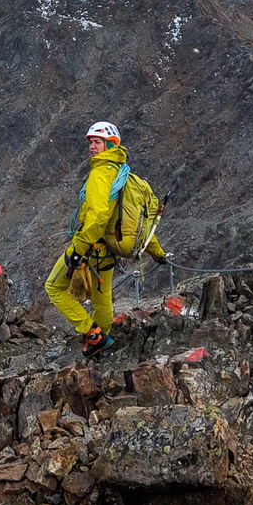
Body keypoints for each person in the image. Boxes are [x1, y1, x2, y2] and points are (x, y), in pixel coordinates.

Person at [44, 120, 166, 357]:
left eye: (97, 142)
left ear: (110, 144)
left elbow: (98, 216)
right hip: (108, 251)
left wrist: (78, 249)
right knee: (102, 299)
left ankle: (93, 334)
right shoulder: (128, 177)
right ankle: (100, 343)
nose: (92, 146)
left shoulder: (100, 174)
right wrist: (157, 252)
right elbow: (143, 222)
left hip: (89, 248)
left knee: (54, 287)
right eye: (90, 142)